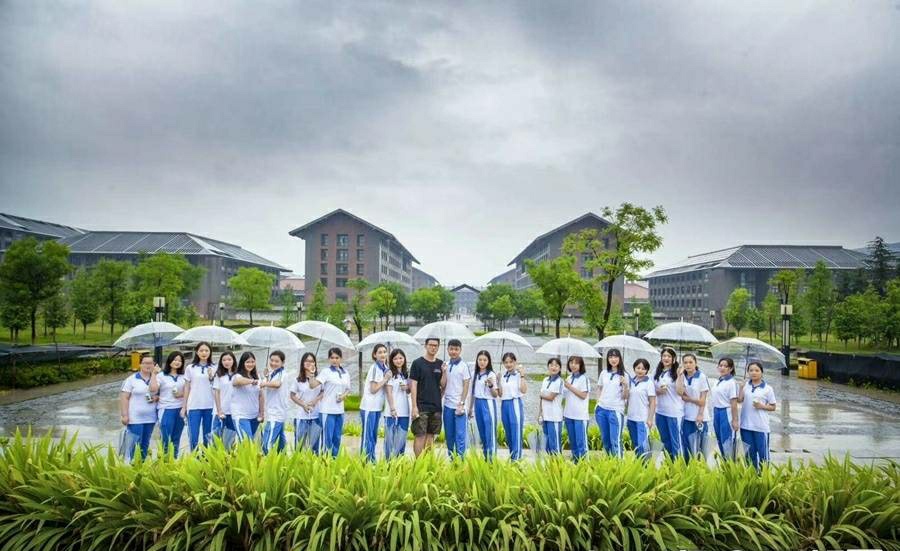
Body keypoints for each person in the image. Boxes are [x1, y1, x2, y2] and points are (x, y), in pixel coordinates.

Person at [737, 361, 777, 471]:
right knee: (749, 454)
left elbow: (773, 407)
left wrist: (761, 406)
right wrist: (740, 388)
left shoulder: (768, 388)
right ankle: (752, 475)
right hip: (745, 426)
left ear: (761, 372)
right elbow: (739, 400)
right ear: (748, 372)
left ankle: (764, 476)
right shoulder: (745, 386)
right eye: (751, 370)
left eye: (756, 370)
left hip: (761, 427)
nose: (753, 373)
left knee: (763, 454)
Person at [409, 337, 445, 457]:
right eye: (431, 345)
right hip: (421, 406)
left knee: (431, 435)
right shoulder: (417, 363)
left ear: (438, 347)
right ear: (425, 346)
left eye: (436, 345)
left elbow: (443, 385)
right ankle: (418, 463)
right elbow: (413, 385)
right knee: (420, 435)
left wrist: (444, 372)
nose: (433, 347)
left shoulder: (440, 364)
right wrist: (414, 406)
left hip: (436, 407)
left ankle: (428, 462)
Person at [119, 353, 159, 462]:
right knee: (134, 443)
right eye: (145, 363)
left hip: (150, 417)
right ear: (140, 364)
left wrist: (156, 397)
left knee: (145, 444)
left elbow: (158, 393)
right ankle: (131, 465)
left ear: (154, 365)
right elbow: (124, 397)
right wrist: (124, 415)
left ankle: (142, 465)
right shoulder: (131, 379)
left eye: (150, 363)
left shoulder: (157, 378)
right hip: (135, 418)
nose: (148, 365)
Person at [312, 347, 351, 458]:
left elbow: (348, 389)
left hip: (340, 411)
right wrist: (311, 375)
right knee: (327, 438)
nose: (334, 360)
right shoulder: (326, 372)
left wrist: (343, 396)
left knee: (337, 437)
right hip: (327, 411)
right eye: (332, 358)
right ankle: (325, 461)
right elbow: (313, 385)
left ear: (341, 358)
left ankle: (334, 460)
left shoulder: (345, 373)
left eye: (337, 358)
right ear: (329, 359)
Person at [181, 342, 217, 450]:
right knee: (193, 436)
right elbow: (187, 388)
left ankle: (206, 457)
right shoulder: (190, 368)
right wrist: (184, 406)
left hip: (210, 405)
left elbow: (218, 387)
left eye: (206, 350)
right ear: (197, 352)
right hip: (194, 405)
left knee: (208, 435)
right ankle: (194, 456)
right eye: (201, 350)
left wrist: (211, 377)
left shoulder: (215, 367)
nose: (204, 353)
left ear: (210, 352)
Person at [359, 344, 391, 462]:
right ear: (374, 355)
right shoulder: (374, 368)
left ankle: (371, 460)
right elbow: (373, 389)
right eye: (380, 352)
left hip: (377, 407)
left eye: (384, 352)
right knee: (367, 436)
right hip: (369, 407)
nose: (383, 354)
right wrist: (385, 379)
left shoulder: (385, 367)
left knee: (373, 436)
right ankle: (364, 461)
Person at [595, 348, 628, 458]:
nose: (613, 359)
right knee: (605, 440)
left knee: (615, 440)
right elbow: (599, 388)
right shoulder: (604, 373)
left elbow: (625, 396)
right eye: (610, 357)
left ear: (620, 358)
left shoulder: (624, 375)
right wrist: (598, 402)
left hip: (615, 411)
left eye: (616, 357)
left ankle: (618, 464)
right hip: (601, 409)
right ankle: (609, 462)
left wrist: (625, 385)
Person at [653, 347, 685, 460]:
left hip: (674, 412)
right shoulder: (657, 372)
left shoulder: (678, 372)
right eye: (664, 356)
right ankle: (669, 463)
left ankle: (679, 465)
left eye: (669, 356)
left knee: (676, 441)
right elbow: (652, 390)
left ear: (673, 359)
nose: (666, 358)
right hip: (660, 412)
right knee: (665, 440)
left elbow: (680, 392)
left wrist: (679, 375)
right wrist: (659, 391)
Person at [441, 339, 471, 458]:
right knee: (449, 435)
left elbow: (466, 385)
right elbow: (443, 385)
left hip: (459, 407)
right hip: (447, 405)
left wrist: (462, 402)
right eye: (451, 349)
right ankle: (452, 459)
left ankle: (460, 461)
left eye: (456, 349)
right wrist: (443, 372)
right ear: (447, 349)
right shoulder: (445, 365)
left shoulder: (463, 366)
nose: (453, 351)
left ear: (460, 350)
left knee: (460, 435)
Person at [468, 350, 499, 460]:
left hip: (488, 403)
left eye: (485, 360)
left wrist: (491, 385)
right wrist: (470, 408)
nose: (482, 362)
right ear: (477, 360)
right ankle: (486, 457)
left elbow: (495, 395)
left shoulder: (491, 375)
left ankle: (492, 459)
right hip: (478, 403)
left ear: (488, 361)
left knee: (490, 432)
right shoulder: (474, 374)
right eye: (480, 359)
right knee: (482, 432)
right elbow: (472, 393)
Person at [290, 352, 323, 453]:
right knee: (300, 447)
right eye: (307, 361)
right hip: (301, 417)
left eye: (312, 361)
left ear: (315, 363)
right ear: (303, 363)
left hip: (316, 417)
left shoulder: (319, 379)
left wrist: (315, 401)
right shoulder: (298, 380)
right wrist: (303, 405)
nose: (309, 363)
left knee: (314, 448)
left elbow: (323, 392)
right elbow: (292, 395)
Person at [680, 353, 711, 461]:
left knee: (700, 445)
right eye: (685, 362)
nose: (688, 365)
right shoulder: (682, 377)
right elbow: (680, 394)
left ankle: (699, 466)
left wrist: (700, 414)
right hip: (686, 415)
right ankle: (688, 466)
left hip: (699, 417)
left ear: (696, 363)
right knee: (687, 443)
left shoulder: (701, 377)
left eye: (690, 362)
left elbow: (702, 400)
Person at [155, 351, 186, 457]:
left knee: (176, 437)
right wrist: (154, 374)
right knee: (166, 437)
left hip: (180, 409)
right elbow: (153, 389)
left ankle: (174, 460)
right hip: (166, 409)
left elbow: (189, 391)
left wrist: (180, 394)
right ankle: (164, 461)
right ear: (169, 361)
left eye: (180, 361)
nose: (177, 362)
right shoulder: (161, 375)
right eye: (175, 360)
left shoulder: (184, 376)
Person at [709, 357, 740, 460]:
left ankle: (730, 463)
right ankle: (724, 462)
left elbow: (734, 403)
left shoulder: (731, 382)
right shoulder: (718, 381)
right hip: (716, 411)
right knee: (719, 438)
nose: (722, 368)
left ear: (730, 369)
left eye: (725, 366)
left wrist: (735, 420)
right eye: (720, 365)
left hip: (726, 413)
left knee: (727, 440)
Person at [498, 352, 527, 461]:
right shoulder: (503, 376)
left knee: (516, 431)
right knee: (508, 432)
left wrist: (522, 375)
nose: (508, 364)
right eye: (506, 362)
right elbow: (500, 394)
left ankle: (517, 460)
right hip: (504, 404)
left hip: (514, 403)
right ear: (503, 363)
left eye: (511, 362)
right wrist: (498, 381)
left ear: (515, 362)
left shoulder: (519, 375)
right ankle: (512, 457)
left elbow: (524, 390)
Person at [625, 358, 656, 461]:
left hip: (642, 419)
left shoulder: (649, 383)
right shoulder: (630, 382)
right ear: (634, 368)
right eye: (638, 368)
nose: (640, 370)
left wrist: (650, 419)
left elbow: (652, 402)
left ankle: (646, 465)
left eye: (643, 369)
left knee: (643, 444)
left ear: (647, 370)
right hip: (631, 418)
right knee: (636, 444)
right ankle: (639, 464)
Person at [383, 349, 411, 459]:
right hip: (391, 412)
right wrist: (392, 409)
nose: (398, 361)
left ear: (404, 359)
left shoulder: (406, 374)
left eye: (400, 358)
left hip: (404, 411)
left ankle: (399, 462)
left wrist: (407, 388)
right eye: (395, 359)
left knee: (401, 439)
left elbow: (409, 391)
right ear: (391, 360)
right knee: (390, 439)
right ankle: (389, 462)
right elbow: (388, 392)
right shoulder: (389, 373)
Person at [563, 356, 591, 463]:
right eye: (571, 363)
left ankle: (584, 464)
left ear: (581, 365)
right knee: (573, 441)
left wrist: (569, 387)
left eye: (576, 363)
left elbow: (583, 395)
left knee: (581, 442)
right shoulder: (569, 378)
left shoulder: (584, 379)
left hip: (580, 416)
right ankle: (575, 462)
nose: (573, 365)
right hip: (568, 415)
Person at [260, 350, 288, 454]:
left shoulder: (282, 373)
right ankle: (282, 461)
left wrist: (264, 383)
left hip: (276, 414)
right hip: (272, 412)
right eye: (271, 360)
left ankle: (268, 462)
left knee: (266, 444)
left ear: (282, 362)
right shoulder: (272, 373)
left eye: (277, 361)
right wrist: (267, 376)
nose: (273, 363)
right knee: (281, 444)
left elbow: (277, 384)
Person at [231, 351, 263, 442]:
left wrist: (261, 413)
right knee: (246, 442)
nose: (250, 364)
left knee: (251, 444)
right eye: (247, 362)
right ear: (242, 363)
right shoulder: (237, 375)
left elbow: (261, 396)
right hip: (241, 415)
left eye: (252, 362)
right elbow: (238, 381)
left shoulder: (257, 376)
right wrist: (252, 381)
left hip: (254, 416)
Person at [537, 357, 564, 455]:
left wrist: (541, 395)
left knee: (555, 444)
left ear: (560, 368)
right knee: (547, 444)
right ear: (548, 367)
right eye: (551, 365)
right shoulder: (545, 380)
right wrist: (540, 413)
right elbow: (542, 399)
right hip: (545, 416)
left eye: (556, 365)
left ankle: (557, 462)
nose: (554, 367)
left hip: (555, 417)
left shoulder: (559, 381)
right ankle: (550, 463)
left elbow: (551, 397)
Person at [212, 351, 237, 449]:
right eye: (224, 360)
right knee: (216, 437)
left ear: (233, 361)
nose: (227, 362)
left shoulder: (238, 375)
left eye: (229, 359)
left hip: (233, 411)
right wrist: (219, 410)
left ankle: (229, 456)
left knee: (231, 439)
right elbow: (216, 392)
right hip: (221, 411)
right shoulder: (219, 375)